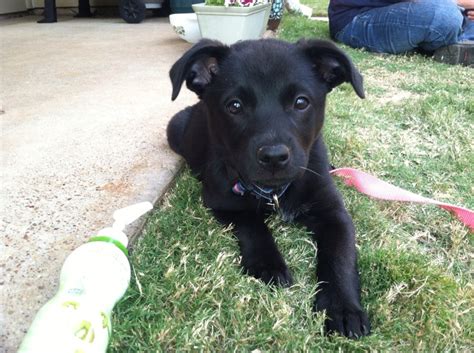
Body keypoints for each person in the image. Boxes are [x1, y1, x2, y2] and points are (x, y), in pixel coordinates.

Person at [328, 0, 474, 65]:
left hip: (406, 9)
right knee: (444, 15)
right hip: (356, 17)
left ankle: (457, 43)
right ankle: (459, 40)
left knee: (449, 14)